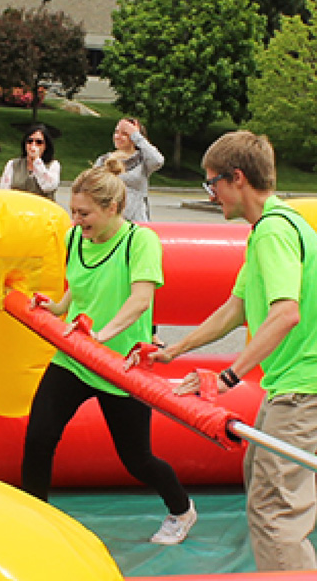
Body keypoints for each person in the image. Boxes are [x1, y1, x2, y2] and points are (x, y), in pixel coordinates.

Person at [133, 130, 317, 571]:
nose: (210, 193)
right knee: (263, 479)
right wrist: (174, 350)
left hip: (311, 380)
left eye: (211, 183)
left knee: (275, 505)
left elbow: (285, 314)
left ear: (237, 178)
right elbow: (234, 310)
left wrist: (229, 377)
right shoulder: (267, 229)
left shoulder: (274, 232)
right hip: (298, 379)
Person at [22, 158, 197, 545]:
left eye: (84, 213)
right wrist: (56, 308)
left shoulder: (141, 241)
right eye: (73, 211)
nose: (76, 220)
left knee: (137, 459)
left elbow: (140, 300)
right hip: (74, 357)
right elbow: (78, 288)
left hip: (121, 365)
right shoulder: (74, 239)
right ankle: (33, 522)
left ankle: (181, 510)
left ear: (112, 208)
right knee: (38, 439)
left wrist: (103, 336)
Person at [95, 117, 164, 223]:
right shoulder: (104, 160)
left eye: (125, 134)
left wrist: (136, 135)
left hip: (136, 222)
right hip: (109, 221)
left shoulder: (143, 159)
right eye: (116, 132)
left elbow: (158, 161)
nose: (118, 137)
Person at [0, 123, 61, 201]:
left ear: (45, 146)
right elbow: (4, 192)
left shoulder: (53, 165)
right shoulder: (12, 164)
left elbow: (48, 186)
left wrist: (37, 161)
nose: (33, 145)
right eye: (30, 141)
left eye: (39, 142)